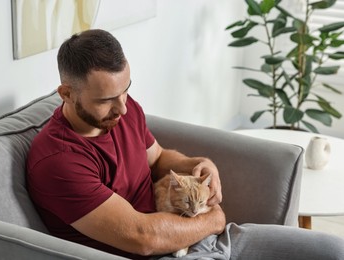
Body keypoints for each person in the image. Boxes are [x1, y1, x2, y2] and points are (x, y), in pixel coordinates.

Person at [27, 29, 344, 260]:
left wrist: (197, 164)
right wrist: (213, 218)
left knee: (333, 249)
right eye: (107, 100)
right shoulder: (57, 161)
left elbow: (158, 158)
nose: (123, 108)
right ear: (67, 94)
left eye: (125, 91)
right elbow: (143, 238)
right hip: (166, 252)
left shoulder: (123, 111)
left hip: (199, 237)